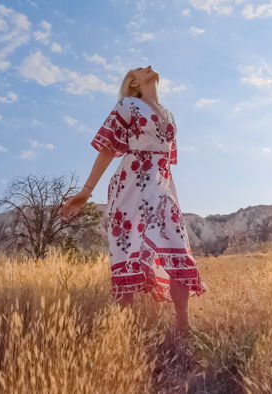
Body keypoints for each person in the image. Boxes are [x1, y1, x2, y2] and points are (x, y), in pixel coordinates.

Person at [59, 65, 208, 335]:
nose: (147, 67)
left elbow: (167, 165)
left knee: (177, 250)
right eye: (139, 69)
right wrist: (86, 190)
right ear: (135, 83)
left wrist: (173, 198)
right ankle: (122, 330)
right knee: (127, 252)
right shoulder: (127, 105)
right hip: (132, 184)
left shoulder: (170, 116)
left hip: (161, 188)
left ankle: (183, 326)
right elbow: (107, 149)